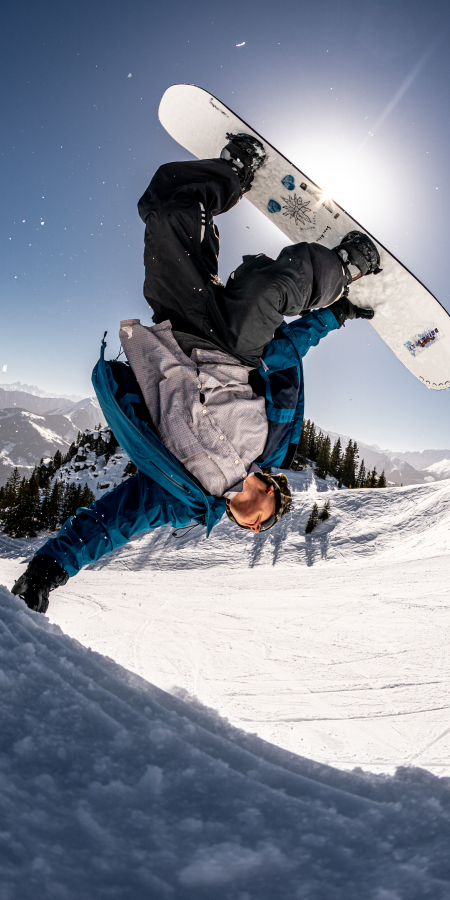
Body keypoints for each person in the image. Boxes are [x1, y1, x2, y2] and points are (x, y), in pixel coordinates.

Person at [12, 134, 380, 613]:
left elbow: (108, 524)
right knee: (269, 290)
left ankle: (223, 178)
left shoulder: (178, 498)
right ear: (272, 491)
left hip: (177, 331)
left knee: (167, 213)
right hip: (237, 349)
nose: (254, 525)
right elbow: (285, 354)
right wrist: (335, 315)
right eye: (265, 521)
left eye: (251, 529)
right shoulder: (273, 443)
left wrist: (46, 571)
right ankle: (343, 266)